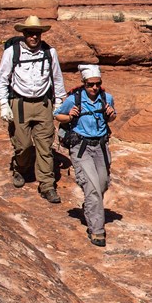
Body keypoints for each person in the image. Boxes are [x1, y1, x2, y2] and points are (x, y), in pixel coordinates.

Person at [0, 15, 66, 203]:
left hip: (43, 104)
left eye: (36, 33)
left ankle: (47, 185)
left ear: (41, 34)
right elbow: (2, 80)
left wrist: (59, 104)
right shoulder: (12, 52)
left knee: (45, 147)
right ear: (23, 34)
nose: (33, 37)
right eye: (29, 33)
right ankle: (20, 169)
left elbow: (57, 79)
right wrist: (3, 104)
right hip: (20, 104)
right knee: (23, 145)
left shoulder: (50, 53)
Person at [54, 65, 116, 247]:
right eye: (90, 85)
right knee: (93, 188)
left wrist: (111, 115)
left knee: (103, 183)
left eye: (98, 84)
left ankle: (89, 208)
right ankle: (97, 230)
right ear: (84, 83)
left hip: (101, 147)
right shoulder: (74, 99)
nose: (94, 88)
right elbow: (58, 116)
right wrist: (70, 116)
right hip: (81, 147)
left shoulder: (107, 98)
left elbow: (111, 118)